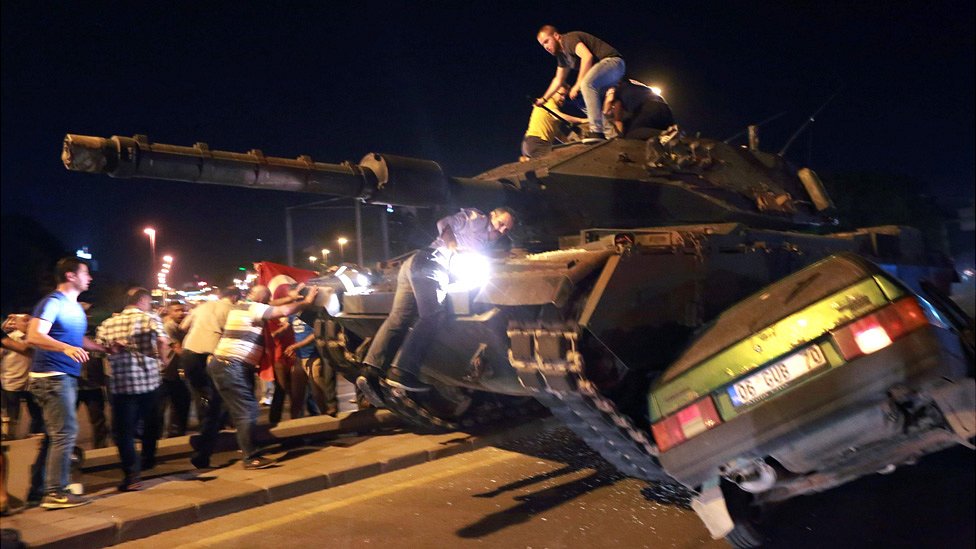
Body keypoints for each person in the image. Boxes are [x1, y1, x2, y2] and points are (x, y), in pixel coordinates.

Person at [361, 207, 516, 395]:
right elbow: (444, 223)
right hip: (433, 263)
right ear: (492, 215)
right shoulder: (478, 219)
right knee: (432, 315)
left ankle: (370, 371)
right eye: (501, 224)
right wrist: (455, 250)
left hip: (416, 263)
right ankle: (402, 371)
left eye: (506, 230)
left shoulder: (486, 241)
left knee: (398, 319)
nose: (501, 230)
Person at [202, 284, 318, 470]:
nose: (267, 301)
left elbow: (272, 303)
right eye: (265, 298)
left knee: (217, 414)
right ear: (257, 298)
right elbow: (283, 310)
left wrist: (291, 297)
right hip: (232, 366)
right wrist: (306, 301)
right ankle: (250, 458)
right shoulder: (254, 308)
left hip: (222, 364)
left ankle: (201, 455)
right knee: (247, 411)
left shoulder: (241, 307)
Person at [26, 257, 108, 509]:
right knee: (65, 433)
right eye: (85, 273)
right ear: (71, 276)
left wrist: (103, 348)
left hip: (63, 377)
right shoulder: (53, 302)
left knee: (56, 435)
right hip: (52, 378)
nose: (90, 278)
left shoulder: (72, 306)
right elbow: (34, 335)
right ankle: (55, 492)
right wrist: (66, 348)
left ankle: (39, 490)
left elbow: (75, 338)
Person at [95, 287, 170, 491]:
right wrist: (163, 360)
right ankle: (148, 458)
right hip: (150, 382)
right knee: (151, 422)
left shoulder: (108, 324)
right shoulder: (150, 318)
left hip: (122, 385)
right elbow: (163, 340)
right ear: (143, 300)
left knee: (124, 432)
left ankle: (132, 475)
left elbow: (99, 349)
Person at [179, 286, 240, 469]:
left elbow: (183, 326)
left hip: (189, 353)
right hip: (210, 355)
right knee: (216, 403)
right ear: (235, 297)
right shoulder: (231, 310)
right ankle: (203, 452)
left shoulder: (203, 306)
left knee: (201, 396)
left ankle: (205, 430)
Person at [535, 25, 625, 143]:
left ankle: (596, 130)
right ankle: (611, 134)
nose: (546, 47)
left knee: (586, 85)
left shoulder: (568, 40)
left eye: (547, 41)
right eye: (543, 45)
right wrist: (544, 99)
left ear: (556, 36)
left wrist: (578, 84)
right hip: (605, 76)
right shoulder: (562, 57)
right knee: (580, 98)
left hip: (614, 63)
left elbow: (587, 57)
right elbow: (558, 79)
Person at [1, 314, 43, 440]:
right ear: (16, 323)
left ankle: (33, 436)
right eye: (24, 321)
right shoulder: (10, 339)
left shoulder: (37, 338)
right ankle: (10, 438)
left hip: (31, 383)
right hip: (12, 383)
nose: (28, 323)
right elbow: (23, 348)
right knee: (12, 415)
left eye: (29, 320)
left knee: (37, 413)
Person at [287, 314, 336, 417]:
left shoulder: (311, 313)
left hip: (313, 356)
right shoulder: (292, 315)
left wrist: (296, 346)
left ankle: (328, 421)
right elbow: (287, 326)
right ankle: (295, 425)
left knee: (318, 393)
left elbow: (315, 334)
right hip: (299, 358)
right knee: (296, 395)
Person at [520, 86, 587, 160]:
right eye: (561, 94)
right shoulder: (549, 102)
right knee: (561, 159)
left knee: (546, 167)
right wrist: (581, 120)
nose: (563, 98)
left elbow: (557, 133)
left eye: (565, 95)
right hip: (537, 143)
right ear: (553, 93)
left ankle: (527, 160)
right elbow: (558, 115)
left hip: (530, 144)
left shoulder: (549, 108)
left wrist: (569, 143)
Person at [158, 302, 191, 437]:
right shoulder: (169, 326)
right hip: (166, 371)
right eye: (176, 311)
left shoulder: (176, 326)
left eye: (182, 310)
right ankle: (169, 433)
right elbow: (178, 349)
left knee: (178, 402)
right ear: (169, 312)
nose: (181, 313)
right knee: (170, 403)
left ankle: (174, 432)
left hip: (172, 371)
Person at [604, 79, 675, 139]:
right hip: (666, 109)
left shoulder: (614, 88)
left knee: (631, 135)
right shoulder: (632, 83)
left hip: (650, 108)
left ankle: (665, 134)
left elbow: (618, 120)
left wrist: (620, 139)